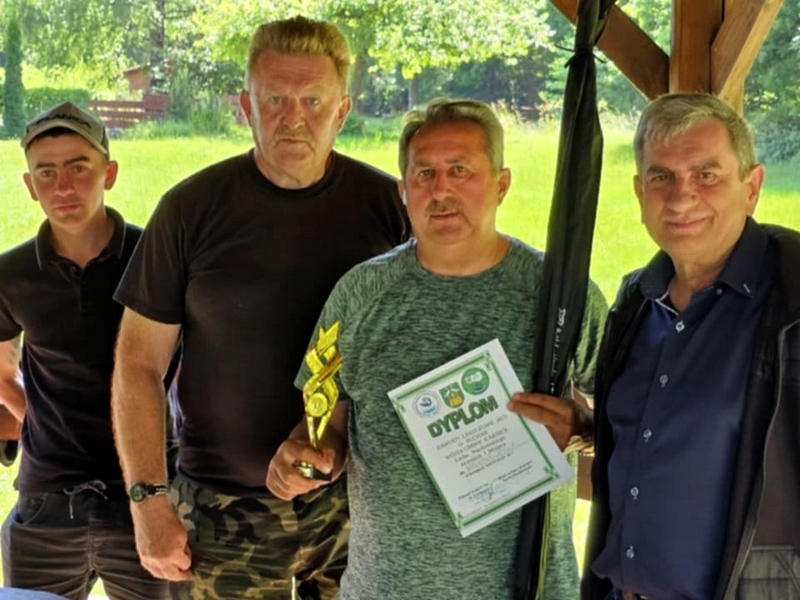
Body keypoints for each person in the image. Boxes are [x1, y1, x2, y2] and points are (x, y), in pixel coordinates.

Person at [111, 16, 408, 600]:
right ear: (246, 107)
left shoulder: (390, 208)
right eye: (274, 99)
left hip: (356, 510)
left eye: (312, 100)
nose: (293, 117)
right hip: (221, 513)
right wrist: (147, 503)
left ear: (342, 111)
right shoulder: (190, 209)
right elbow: (138, 365)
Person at [266, 98, 607, 599]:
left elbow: (632, 425)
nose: (441, 190)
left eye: (460, 170)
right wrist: (301, 457)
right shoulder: (359, 295)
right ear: (403, 191)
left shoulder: (561, 297)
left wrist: (581, 430)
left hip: (527, 590)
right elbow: (327, 426)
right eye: (424, 173)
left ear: (501, 184)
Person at [582, 93, 800, 600]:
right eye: (661, 177)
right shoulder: (635, 302)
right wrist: (587, 427)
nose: (682, 198)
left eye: (706, 175)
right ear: (639, 192)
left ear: (752, 187)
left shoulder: (793, 298)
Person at [0, 102, 169, 599]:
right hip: (47, 499)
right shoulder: (11, 275)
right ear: (30, 186)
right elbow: (1, 368)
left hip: (146, 493)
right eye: (46, 174)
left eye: (79, 168)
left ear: (109, 174)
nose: (63, 187)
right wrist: (36, 416)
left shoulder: (153, 259)